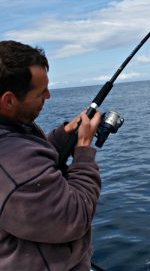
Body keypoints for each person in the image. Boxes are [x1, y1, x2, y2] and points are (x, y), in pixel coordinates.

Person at [0, 40, 102, 271]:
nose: (48, 95)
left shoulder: (12, 131)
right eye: (40, 92)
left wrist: (64, 135)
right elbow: (74, 217)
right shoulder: (10, 158)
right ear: (9, 100)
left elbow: (29, 167)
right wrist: (83, 149)